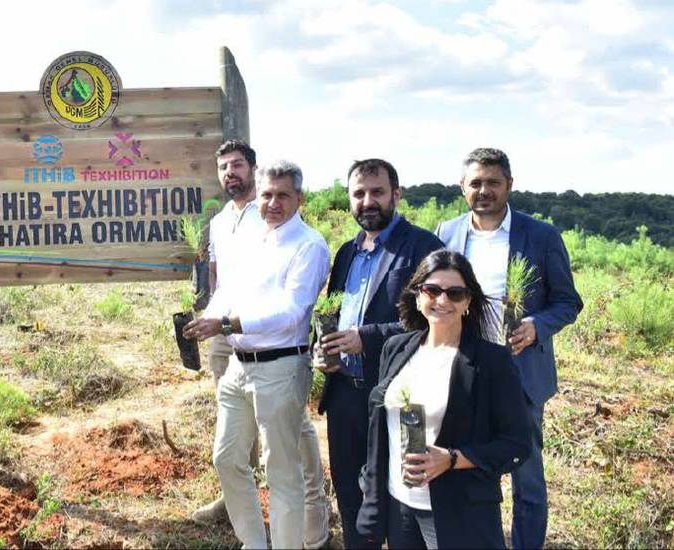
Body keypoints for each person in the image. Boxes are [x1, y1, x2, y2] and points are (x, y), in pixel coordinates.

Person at [435, 148, 583, 549]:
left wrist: (537, 326)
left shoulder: (541, 236)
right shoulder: (446, 234)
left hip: (521, 375)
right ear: (462, 187)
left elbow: (569, 302)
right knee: (466, 466)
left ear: (509, 186)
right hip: (461, 371)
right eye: (476, 183)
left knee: (527, 476)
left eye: (493, 183)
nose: (484, 191)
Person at [184, 160, 331, 549]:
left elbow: (291, 312)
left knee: (280, 471)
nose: (273, 203)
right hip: (238, 367)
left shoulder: (309, 245)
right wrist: (209, 318)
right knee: (227, 458)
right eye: (266, 194)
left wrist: (227, 325)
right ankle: (254, 543)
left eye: (283, 195)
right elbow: (227, 290)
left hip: (281, 367)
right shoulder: (254, 239)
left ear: (299, 198)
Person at [357, 249, 532, 548]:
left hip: (459, 513)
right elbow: (379, 433)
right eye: (432, 290)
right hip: (399, 505)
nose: (442, 300)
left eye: (455, 293)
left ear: (468, 302)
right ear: (417, 295)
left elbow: (516, 444)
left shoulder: (491, 362)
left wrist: (451, 460)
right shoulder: (396, 349)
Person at [315, 159, 442, 548]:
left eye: (377, 192)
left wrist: (365, 338)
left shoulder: (424, 248)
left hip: (403, 396)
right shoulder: (345, 254)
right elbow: (334, 316)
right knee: (353, 499)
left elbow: (435, 320)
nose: (368, 201)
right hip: (345, 396)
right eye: (359, 193)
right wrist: (325, 353)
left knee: (408, 499)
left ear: (396, 195)